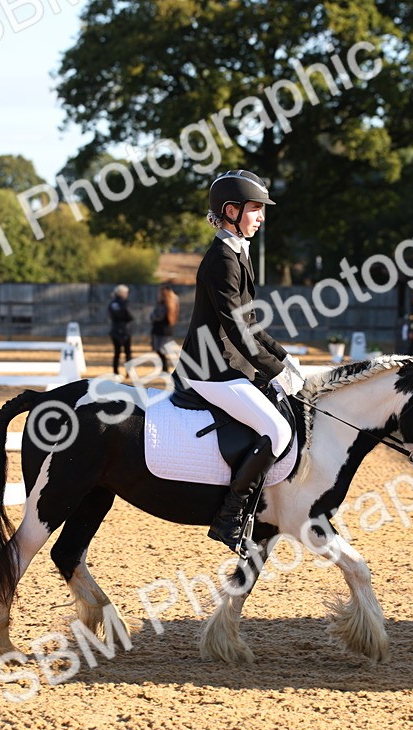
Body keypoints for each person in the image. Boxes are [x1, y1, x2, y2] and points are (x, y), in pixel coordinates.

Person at [175, 169, 304, 550]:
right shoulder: (221, 260)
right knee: (278, 432)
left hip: (230, 366)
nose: (261, 216)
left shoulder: (237, 253)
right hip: (209, 369)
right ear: (231, 211)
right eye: (255, 209)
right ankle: (229, 518)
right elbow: (236, 331)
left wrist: (285, 358)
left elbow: (252, 323)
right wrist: (274, 371)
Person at [150, 282, 180, 373]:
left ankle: (165, 368)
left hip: (161, 330)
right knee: (161, 349)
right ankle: (165, 368)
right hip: (164, 329)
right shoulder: (169, 302)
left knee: (160, 349)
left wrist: (153, 317)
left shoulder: (165, 303)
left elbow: (157, 316)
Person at [108, 284, 134, 376]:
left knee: (117, 352)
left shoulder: (112, 303)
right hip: (125, 330)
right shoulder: (125, 302)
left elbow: (111, 315)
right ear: (121, 293)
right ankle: (129, 372)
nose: (127, 294)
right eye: (126, 292)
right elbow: (129, 315)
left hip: (115, 330)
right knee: (128, 352)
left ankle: (115, 371)